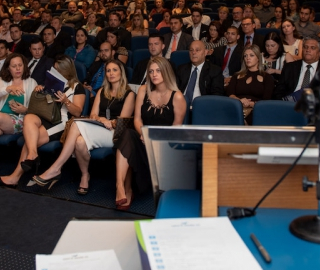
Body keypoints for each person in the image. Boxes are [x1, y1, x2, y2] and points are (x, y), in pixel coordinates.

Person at [33, 60, 135, 193]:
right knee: (80, 142)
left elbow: (122, 121)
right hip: (99, 128)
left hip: (116, 134)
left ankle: (56, 168)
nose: (111, 73)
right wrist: (102, 119)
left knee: (76, 124)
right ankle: (85, 175)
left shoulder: (129, 94)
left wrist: (110, 122)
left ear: (121, 73)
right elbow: (93, 115)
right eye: (108, 70)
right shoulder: (102, 91)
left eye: (115, 70)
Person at [0, 55, 86, 187]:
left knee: (30, 141)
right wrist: (39, 90)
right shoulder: (53, 83)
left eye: (58, 70)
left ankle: (15, 177)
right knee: (28, 118)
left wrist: (66, 101)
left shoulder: (77, 87)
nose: (56, 73)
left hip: (62, 123)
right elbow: (44, 104)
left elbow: (78, 112)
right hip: (47, 116)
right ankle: (33, 155)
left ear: (67, 70)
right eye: (54, 70)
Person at [114, 57, 185, 210]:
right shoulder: (143, 90)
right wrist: (144, 134)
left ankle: (128, 189)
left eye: (158, 71)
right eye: (151, 71)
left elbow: (176, 129)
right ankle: (120, 186)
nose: (154, 74)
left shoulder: (177, 96)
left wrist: (155, 138)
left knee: (129, 146)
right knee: (127, 135)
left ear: (166, 71)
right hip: (143, 139)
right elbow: (137, 119)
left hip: (164, 146)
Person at [225, 44, 274, 124]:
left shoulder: (267, 77)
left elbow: (266, 101)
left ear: (258, 58)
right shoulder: (236, 76)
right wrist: (240, 101)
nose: (248, 58)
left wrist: (250, 104)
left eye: (251, 55)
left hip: (257, 109)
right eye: (245, 56)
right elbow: (230, 94)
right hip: (237, 107)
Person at [175, 40, 225, 112]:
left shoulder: (214, 71)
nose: (194, 53)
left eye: (197, 50)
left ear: (205, 52)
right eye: (191, 50)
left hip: (203, 109)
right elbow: (174, 89)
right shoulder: (181, 69)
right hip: (180, 107)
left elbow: (217, 95)